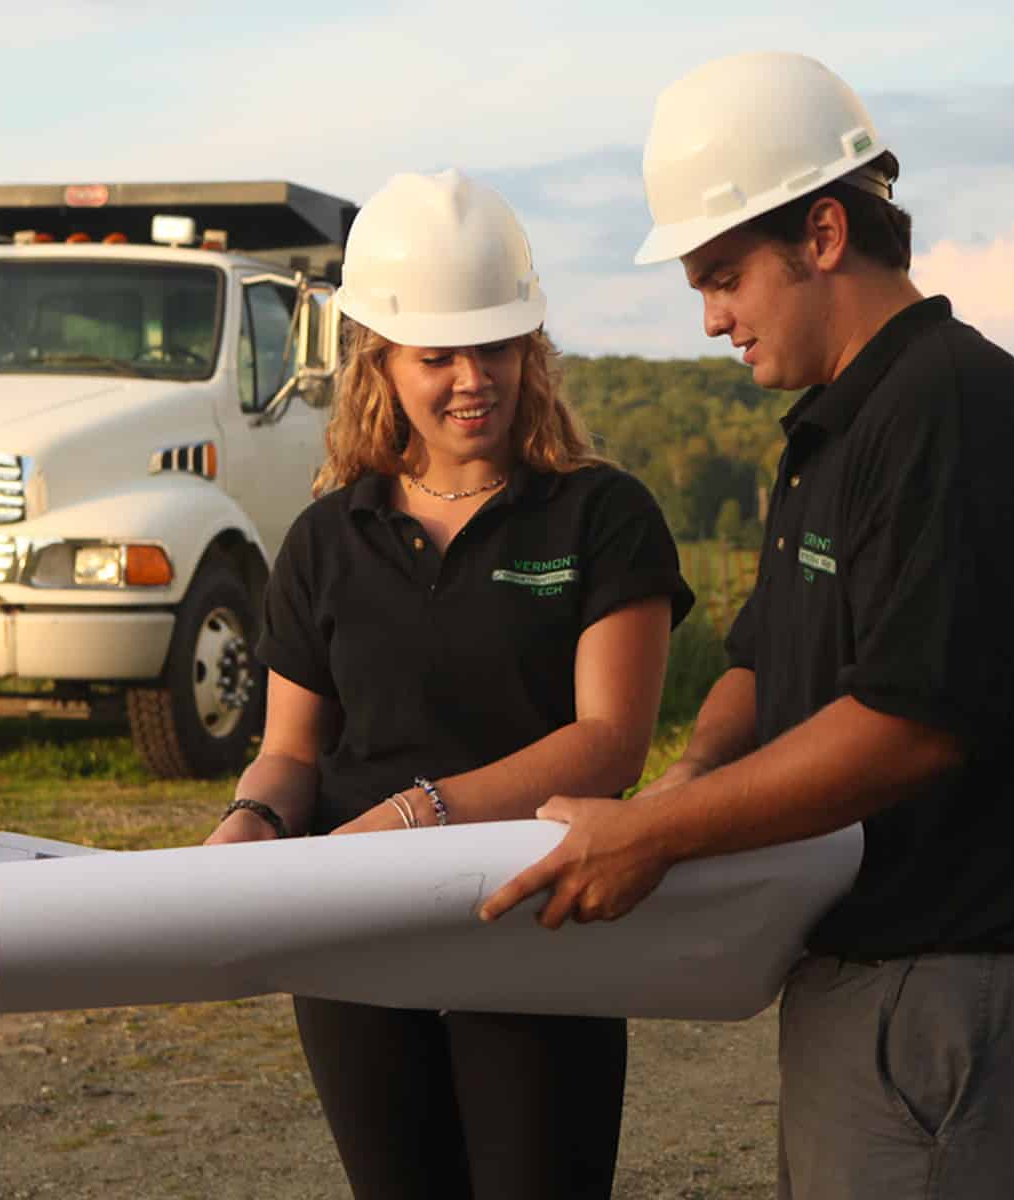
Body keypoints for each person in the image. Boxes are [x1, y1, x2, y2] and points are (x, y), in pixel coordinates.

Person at [481, 52, 1014, 1198]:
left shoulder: (949, 413)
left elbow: (909, 723)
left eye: (723, 276)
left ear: (824, 234)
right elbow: (760, 658)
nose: (708, 320)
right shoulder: (841, 428)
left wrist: (660, 834)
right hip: (894, 985)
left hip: (960, 989)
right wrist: (686, 774)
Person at [205, 167, 693, 1200]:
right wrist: (250, 819)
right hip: (351, 923)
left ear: (533, 350)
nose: (472, 379)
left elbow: (610, 741)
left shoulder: (599, 517)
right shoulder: (327, 537)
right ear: (378, 363)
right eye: (437, 357)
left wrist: (419, 815)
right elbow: (292, 751)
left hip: (530, 919)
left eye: (496, 348)